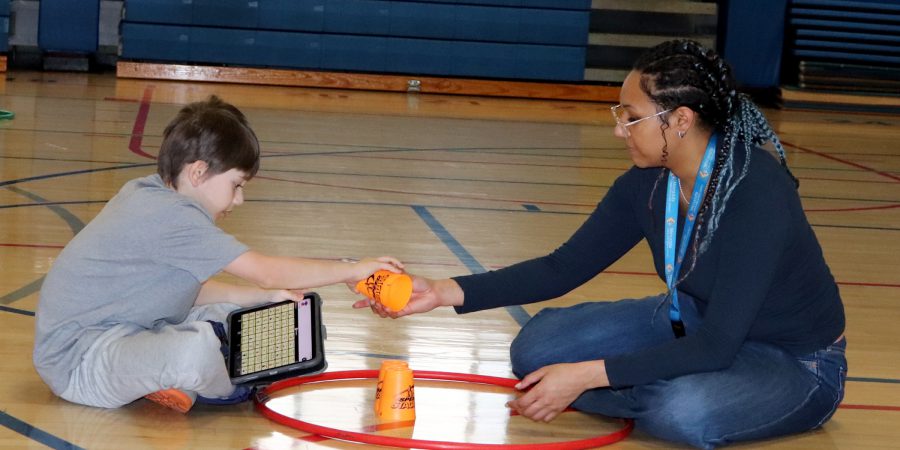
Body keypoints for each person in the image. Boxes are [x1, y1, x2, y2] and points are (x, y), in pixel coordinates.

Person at [355, 40, 846, 449]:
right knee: (536, 350)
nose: (618, 130)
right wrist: (442, 291)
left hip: (794, 361)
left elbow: (719, 344)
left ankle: (648, 386)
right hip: (690, 321)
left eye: (630, 117)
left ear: (679, 120)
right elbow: (561, 267)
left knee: (682, 413)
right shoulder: (648, 181)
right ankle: (644, 380)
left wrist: (587, 376)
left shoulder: (755, 190)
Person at [33, 96, 403, 413]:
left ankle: (184, 373)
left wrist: (261, 299)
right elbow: (266, 271)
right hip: (81, 363)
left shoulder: (152, 193)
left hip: (138, 326)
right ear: (198, 172)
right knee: (194, 352)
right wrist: (350, 269)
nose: (239, 199)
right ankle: (228, 383)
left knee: (291, 321)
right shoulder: (169, 216)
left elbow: (182, 288)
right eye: (236, 185)